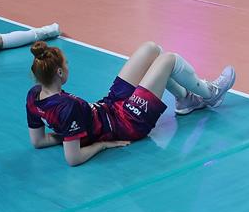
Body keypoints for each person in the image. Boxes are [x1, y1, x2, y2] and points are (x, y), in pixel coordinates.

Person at [26, 40, 235, 167]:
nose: (68, 67)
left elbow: (38, 141)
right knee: (168, 60)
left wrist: (68, 135)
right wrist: (101, 144)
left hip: (109, 106)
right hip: (127, 123)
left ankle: (185, 100)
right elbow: (73, 159)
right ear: (59, 72)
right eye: (66, 64)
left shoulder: (34, 96)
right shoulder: (66, 108)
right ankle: (211, 94)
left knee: (151, 49)